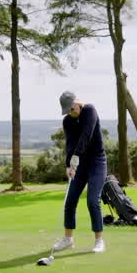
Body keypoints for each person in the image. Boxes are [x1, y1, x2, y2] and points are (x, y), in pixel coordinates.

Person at [52, 91, 106, 254]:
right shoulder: (67, 121)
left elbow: (86, 135)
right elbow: (70, 143)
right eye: (67, 110)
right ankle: (68, 239)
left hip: (97, 162)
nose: (70, 112)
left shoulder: (90, 110)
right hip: (79, 165)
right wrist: (69, 165)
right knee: (70, 200)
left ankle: (99, 241)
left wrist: (76, 156)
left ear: (77, 103)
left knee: (92, 201)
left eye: (71, 109)